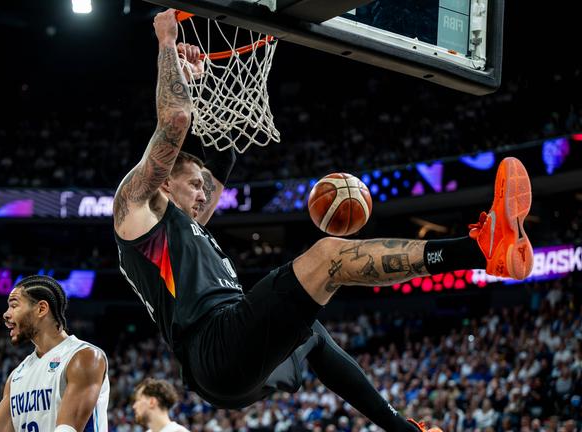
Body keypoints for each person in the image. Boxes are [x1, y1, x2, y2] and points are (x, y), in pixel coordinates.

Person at [113, 9, 533, 432]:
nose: (206, 194)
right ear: (164, 183)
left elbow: (224, 154)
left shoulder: (188, 224)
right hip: (214, 344)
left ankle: (403, 430)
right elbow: (175, 122)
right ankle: (479, 248)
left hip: (235, 362)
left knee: (309, 331)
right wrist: (167, 44)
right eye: (194, 185)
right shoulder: (138, 213)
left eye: (205, 188)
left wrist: (194, 79)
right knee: (328, 257)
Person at [0, 275, 110, 432]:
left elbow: (67, 429)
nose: (6, 314)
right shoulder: (16, 376)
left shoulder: (83, 356)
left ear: (41, 309)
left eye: (14, 306)